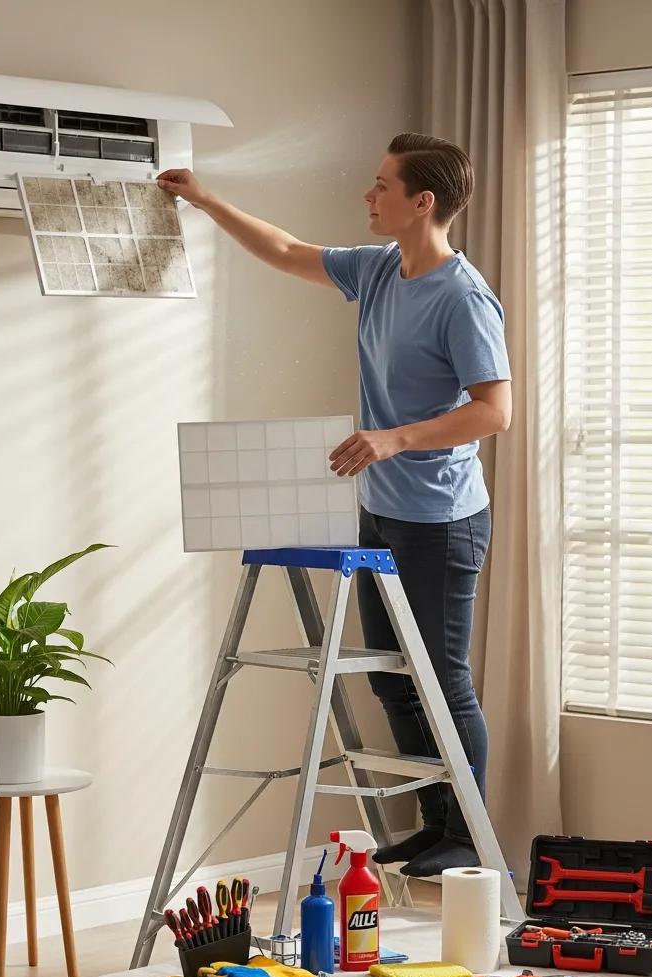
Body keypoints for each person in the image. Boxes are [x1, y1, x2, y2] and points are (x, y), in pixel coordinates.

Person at [157, 132, 511, 876]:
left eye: (382, 184)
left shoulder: (463, 296)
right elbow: (287, 251)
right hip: (382, 508)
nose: (367, 194)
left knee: (440, 677)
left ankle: (468, 836)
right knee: (390, 674)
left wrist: (394, 438)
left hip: (442, 518)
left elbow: (494, 412)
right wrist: (206, 199)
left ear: (423, 203)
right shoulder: (382, 269)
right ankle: (437, 824)